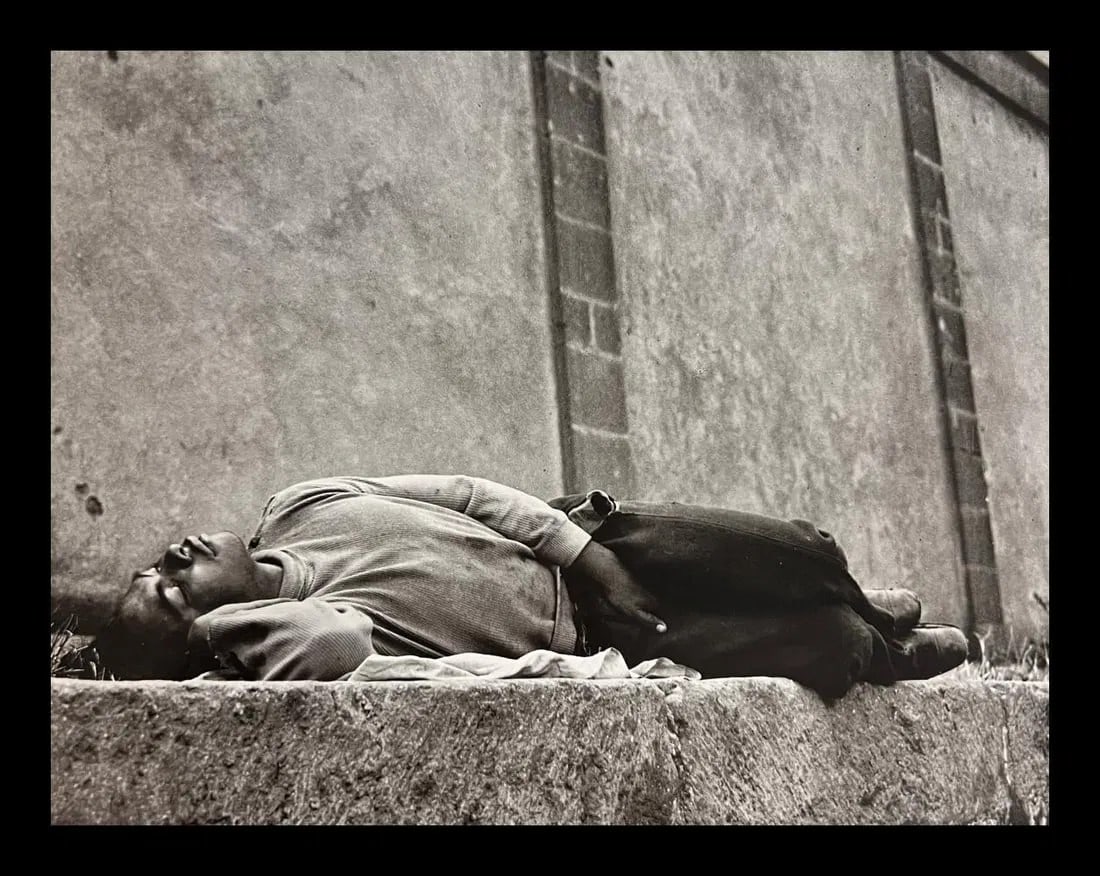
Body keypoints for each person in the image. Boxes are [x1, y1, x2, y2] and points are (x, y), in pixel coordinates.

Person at [92, 474, 969, 698]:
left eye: (156, 564)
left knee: (803, 548)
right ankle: (880, 647)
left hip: (588, 540)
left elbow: (471, 495)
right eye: (170, 591)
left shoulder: (303, 502)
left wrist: (593, 557)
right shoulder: (323, 630)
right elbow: (337, 648)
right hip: (606, 644)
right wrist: (223, 638)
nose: (165, 559)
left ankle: (867, 608)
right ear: (227, 622)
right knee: (831, 648)